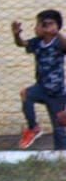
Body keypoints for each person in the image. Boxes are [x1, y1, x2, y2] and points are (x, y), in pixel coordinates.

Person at [11, 9, 66, 150]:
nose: (38, 28)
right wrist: (17, 34)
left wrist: (57, 33)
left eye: (44, 24)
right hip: (41, 87)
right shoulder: (37, 42)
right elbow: (22, 43)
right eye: (39, 24)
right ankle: (33, 127)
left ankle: (61, 154)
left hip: (56, 91)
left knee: (59, 127)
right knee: (26, 94)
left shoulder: (58, 42)